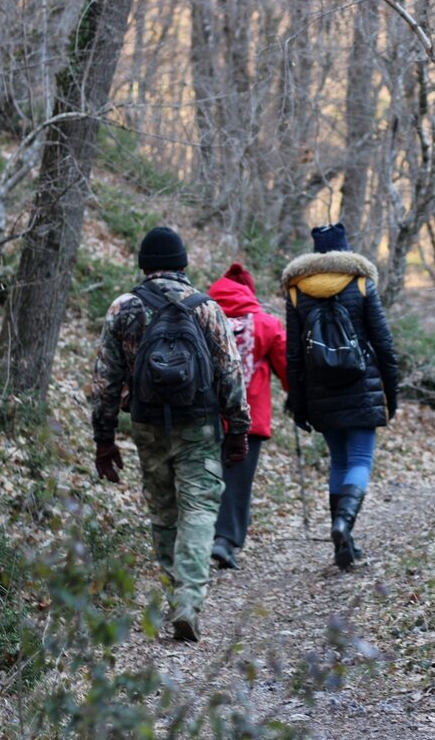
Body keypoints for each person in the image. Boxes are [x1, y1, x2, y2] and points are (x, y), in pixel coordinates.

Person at [91, 226, 251, 642]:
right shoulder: (206, 308)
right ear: (183, 265)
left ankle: (173, 591)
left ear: (143, 266)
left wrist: (104, 438)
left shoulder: (122, 308)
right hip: (199, 424)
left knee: (163, 511)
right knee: (198, 509)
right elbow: (231, 372)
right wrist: (239, 429)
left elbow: (105, 381)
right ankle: (188, 600)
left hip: (146, 424)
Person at [282, 222, 399, 570]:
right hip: (362, 386)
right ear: (345, 252)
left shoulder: (296, 291)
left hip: (320, 391)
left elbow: (293, 357)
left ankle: (341, 546)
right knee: (360, 460)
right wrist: (390, 394)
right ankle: (343, 526)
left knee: (339, 461)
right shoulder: (361, 284)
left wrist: (298, 405)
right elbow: (384, 343)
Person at [206, 262, 289, 570]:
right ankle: (225, 541)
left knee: (206, 476)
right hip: (250, 419)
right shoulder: (266, 324)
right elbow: (286, 367)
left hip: (207, 415)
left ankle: (198, 539)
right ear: (248, 292)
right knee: (237, 481)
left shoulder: (203, 317)